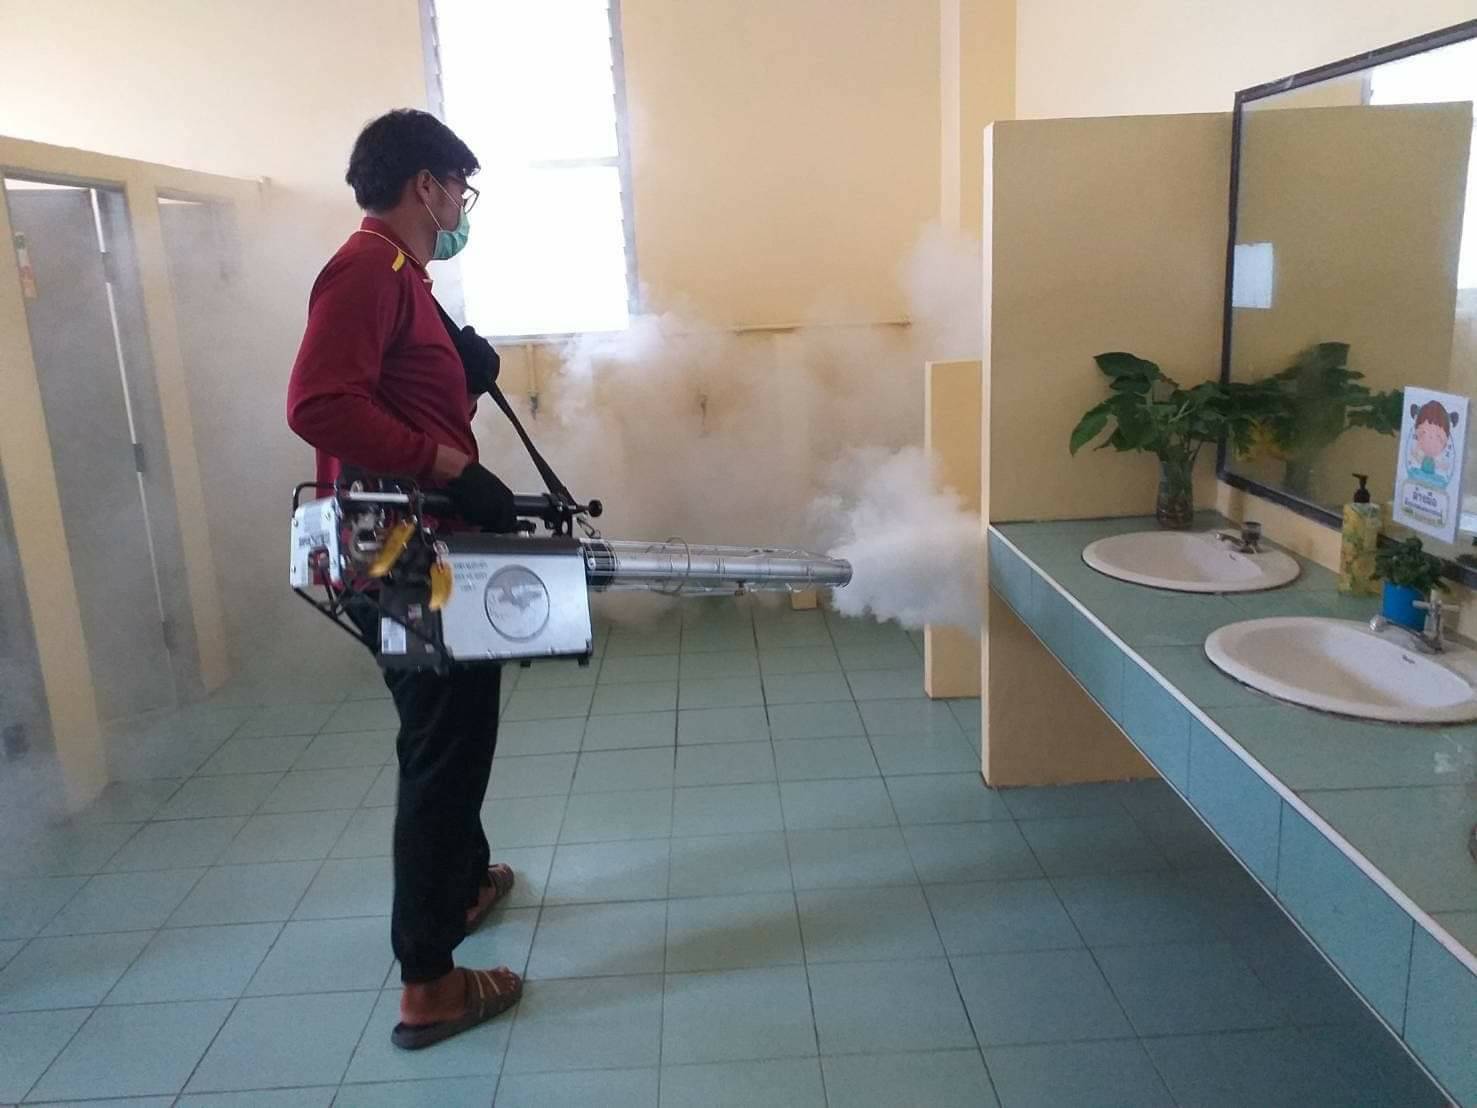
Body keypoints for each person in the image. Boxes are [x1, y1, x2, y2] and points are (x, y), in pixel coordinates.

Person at [286, 108, 523, 1049]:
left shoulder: (404, 279)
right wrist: (449, 465)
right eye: (459, 185)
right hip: (394, 551)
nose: (462, 203)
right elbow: (318, 403)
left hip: (416, 542)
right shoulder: (365, 270)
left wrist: (462, 385)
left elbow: (397, 400)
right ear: (426, 184)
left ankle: (461, 885)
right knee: (443, 745)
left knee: (459, 722)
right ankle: (429, 984)